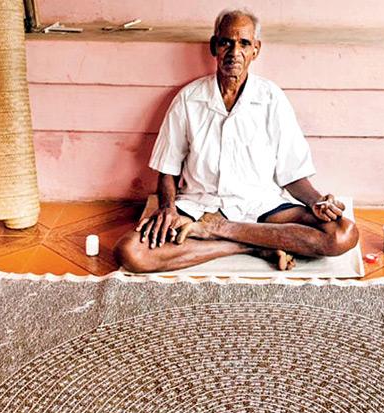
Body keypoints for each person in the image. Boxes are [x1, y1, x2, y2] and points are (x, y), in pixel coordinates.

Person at [114, 7, 360, 273]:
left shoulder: (271, 98)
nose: (234, 53)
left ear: (256, 50)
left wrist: (316, 202)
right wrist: (167, 208)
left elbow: (293, 174)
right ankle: (251, 245)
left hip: (263, 206)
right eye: (226, 43)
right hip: (201, 204)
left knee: (342, 233)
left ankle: (220, 231)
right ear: (213, 47)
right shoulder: (188, 99)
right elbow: (167, 170)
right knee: (130, 252)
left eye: (244, 43)